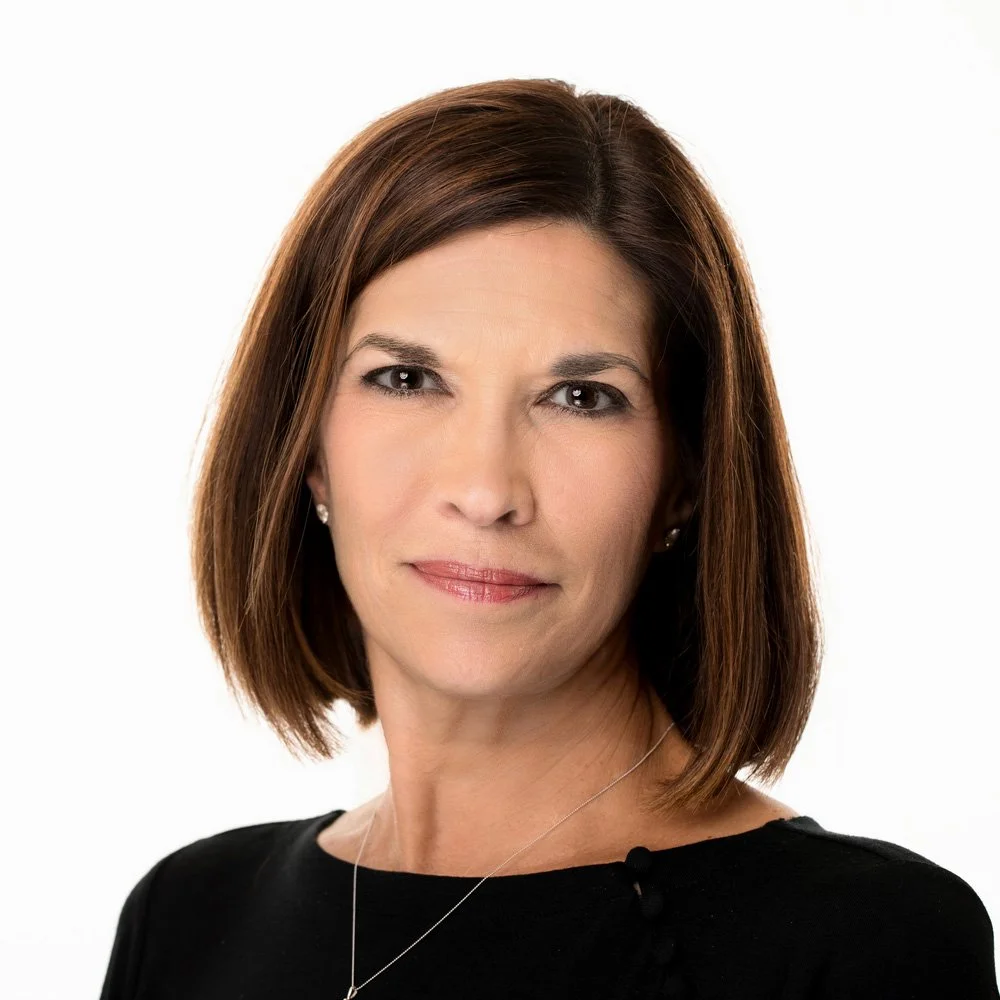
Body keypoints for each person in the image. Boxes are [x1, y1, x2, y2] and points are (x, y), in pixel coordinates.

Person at [99, 78, 999, 999]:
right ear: (306, 446)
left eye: (582, 398)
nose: (486, 491)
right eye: (407, 379)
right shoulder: (187, 920)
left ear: (687, 474)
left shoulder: (865, 948)